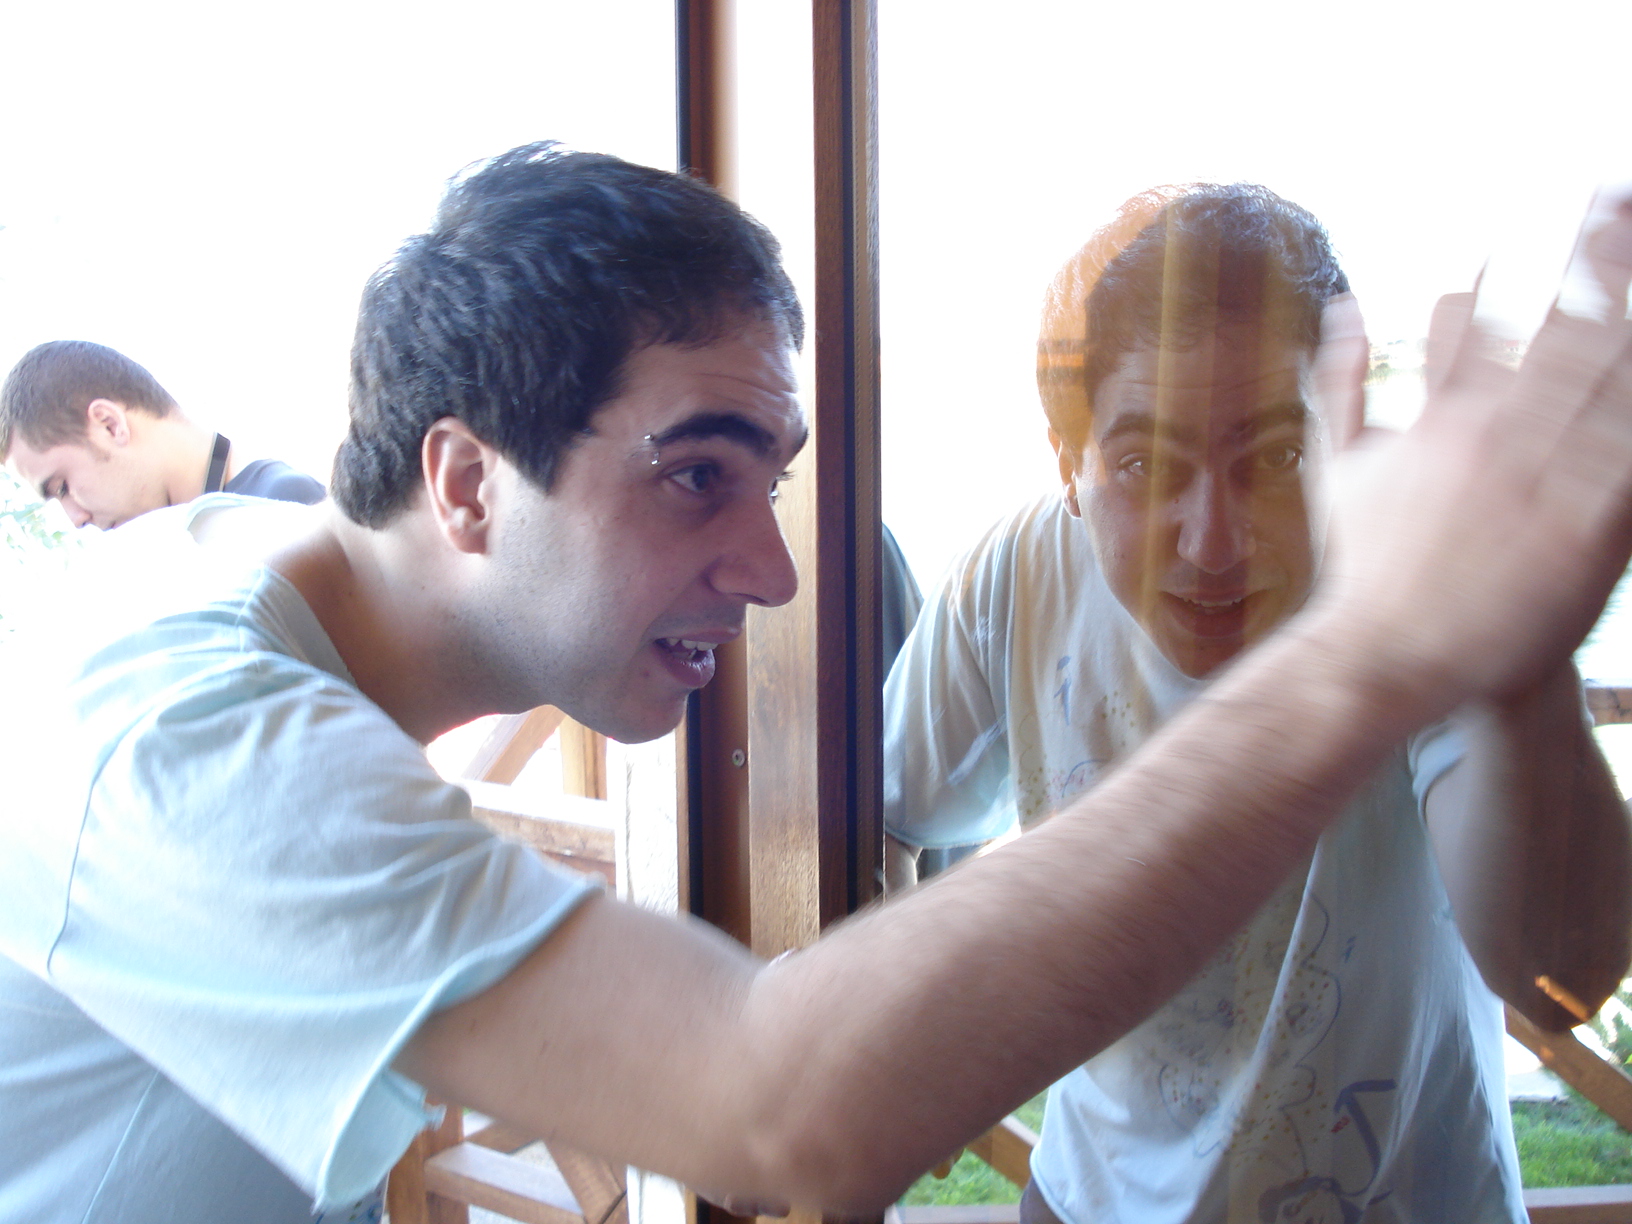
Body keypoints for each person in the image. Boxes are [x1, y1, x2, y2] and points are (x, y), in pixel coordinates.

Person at [3, 144, 1631, 1224]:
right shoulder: (180, 729)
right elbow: (777, 1106)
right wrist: (1373, 648)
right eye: (697, 475)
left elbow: (1560, 972)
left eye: (769, 480)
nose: (776, 573)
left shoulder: (232, 570)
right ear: (469, 482)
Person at [882, 183, 1632, 1223]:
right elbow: (890, 816)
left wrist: (1522, 676)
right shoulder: (1018, 575)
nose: (1214, 544)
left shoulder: (1403, 576)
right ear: (1069, 463)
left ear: (1336, 437)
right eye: (1144, 465)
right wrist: (901, 1054)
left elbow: (1559, 976)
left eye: (1274, 458)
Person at [0, 340, 326, 529]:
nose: (75, 519)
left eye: (62, 488)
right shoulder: (204, 534)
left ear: (110, 425)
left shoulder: (278, 513)